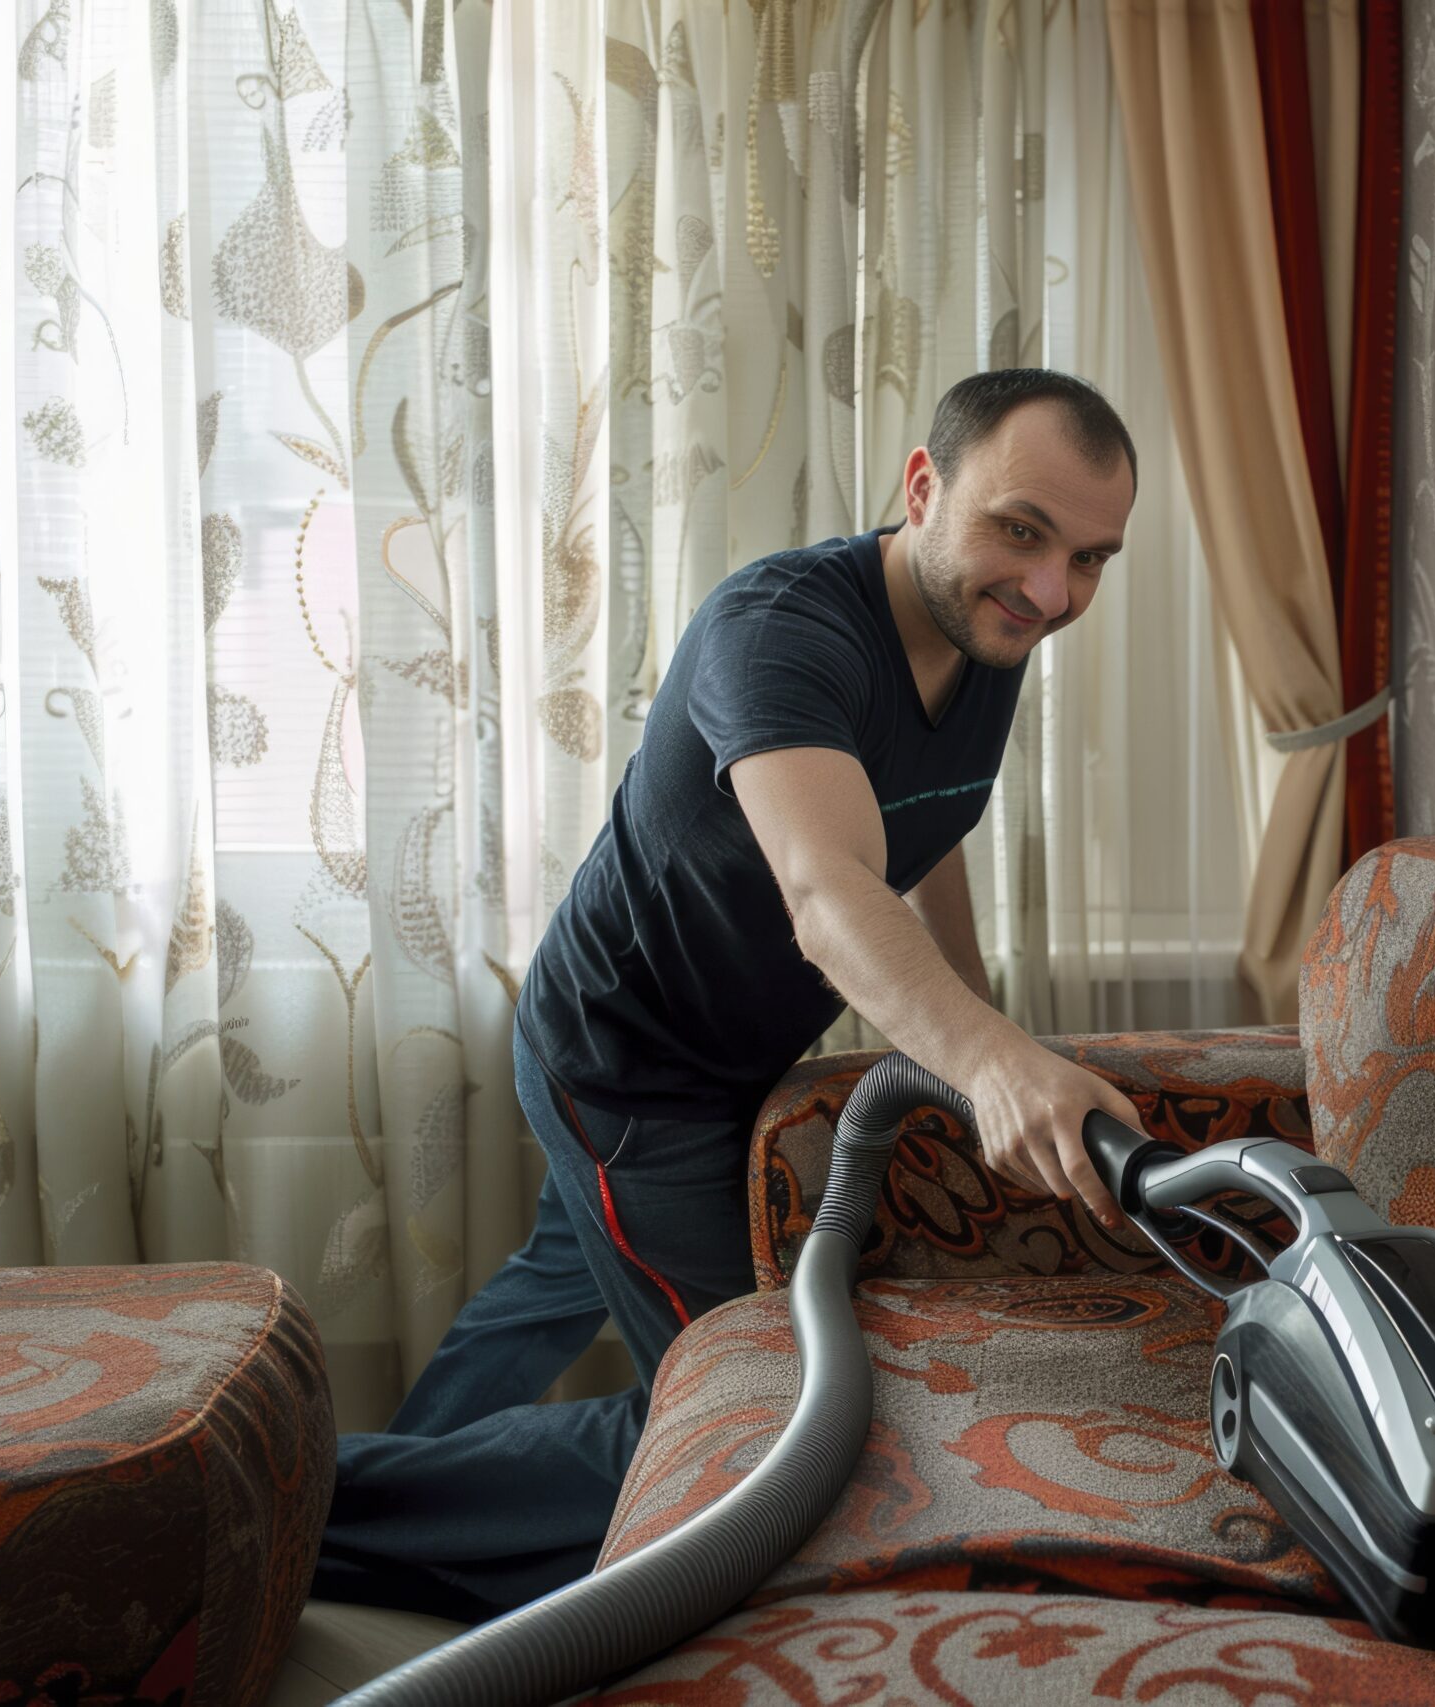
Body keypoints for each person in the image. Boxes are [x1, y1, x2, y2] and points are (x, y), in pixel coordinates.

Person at [314, 369, 1149, 1621]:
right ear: (922, 487)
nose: (1051, 590)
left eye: (1091, 559)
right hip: (629, 1067)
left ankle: (377, 1487)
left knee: (557, 1273)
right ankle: (319, 1517)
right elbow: (828, 893)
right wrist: (988, 1068)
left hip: (736, 1046)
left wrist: (983, 1024)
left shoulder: (989, 626)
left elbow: (922, 821)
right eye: (1020, 532)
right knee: (752, 1413)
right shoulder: (782, 633)